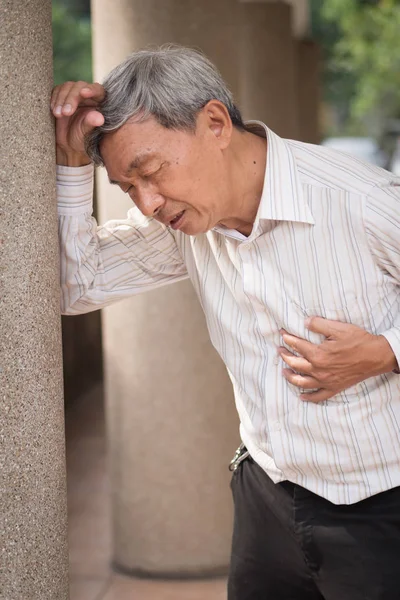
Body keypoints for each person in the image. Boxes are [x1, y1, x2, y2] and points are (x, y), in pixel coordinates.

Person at [52, 46, 400, 599]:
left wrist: (387, 351)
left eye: (149, 171)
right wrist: (70, 165)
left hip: (382, 509)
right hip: (266, 497)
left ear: (214, 122)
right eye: (126, 188)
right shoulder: (185, 224)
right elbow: (76, 286)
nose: (147, 202)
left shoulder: (361, 200)